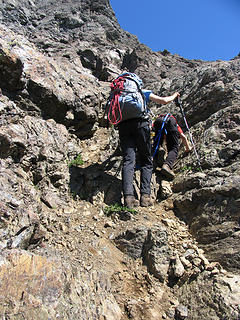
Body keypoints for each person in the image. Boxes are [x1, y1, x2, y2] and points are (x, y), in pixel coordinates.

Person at [118, 86, 180, 209]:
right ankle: (145, 197)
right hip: (141, 125)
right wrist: (174, 95)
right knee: (146, 160)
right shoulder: (140, 92)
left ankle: (128, 198)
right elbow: (163, 101)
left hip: (123, 126)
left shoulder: (119, 95)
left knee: (128, 161)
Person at [152, 114, 192, 180]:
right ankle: (167, 165)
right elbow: (183, 136)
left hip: (158, 121)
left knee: (157, 144)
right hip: (170, 122)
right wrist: (188, 148)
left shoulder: (158, 119)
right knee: (174, 148)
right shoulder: (174, 122)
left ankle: (157, 154)